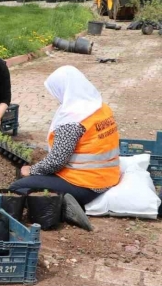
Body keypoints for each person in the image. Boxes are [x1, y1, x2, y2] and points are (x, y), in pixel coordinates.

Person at [10, 66, 121, 231]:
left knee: (16, 188)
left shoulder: (73, 119)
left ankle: (64, 208)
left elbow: (56, 162)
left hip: (85, 184)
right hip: (108, 176)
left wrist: (31, 170)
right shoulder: (100, 107)